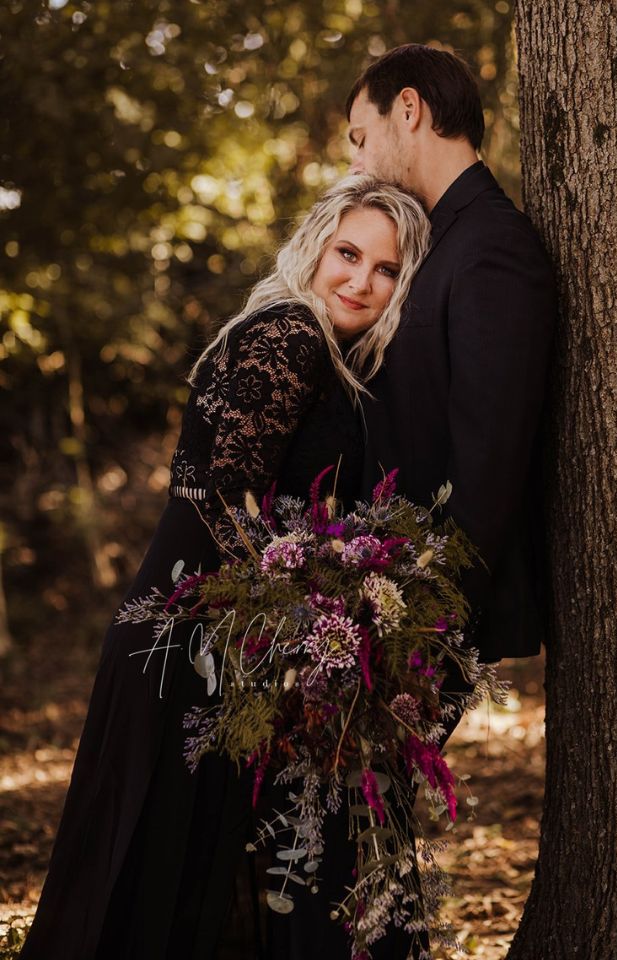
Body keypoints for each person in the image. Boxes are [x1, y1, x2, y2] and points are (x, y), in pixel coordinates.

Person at [18, 175, 430, 960]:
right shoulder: (292, 333)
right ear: (315, 247)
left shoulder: (322, 350)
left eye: (387, 270)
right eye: (348, 254)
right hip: (184, 640)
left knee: (190, 880)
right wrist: (308, 619)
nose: (361, 281)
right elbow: (228, 495)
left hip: (208, 634)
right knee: (156, 884)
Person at [346, 43, 557, 673]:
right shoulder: (436, 240)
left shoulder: (492, 246)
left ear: (408, 109)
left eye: (361, 138)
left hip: (426, 621)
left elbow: (486, 468)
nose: (356, 162)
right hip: (384, 599)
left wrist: (422, 627)